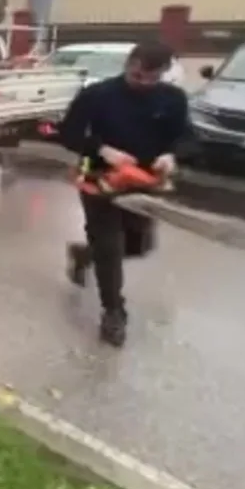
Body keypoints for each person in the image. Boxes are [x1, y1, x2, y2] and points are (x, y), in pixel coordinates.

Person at [57, 41, 189, 347]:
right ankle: (113, 312)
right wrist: (102, 149)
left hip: (143, 183)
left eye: (151, 78)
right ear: (129, 64)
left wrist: (172, 155)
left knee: (138, 246)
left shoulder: (172, 99)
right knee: (109, 245)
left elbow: (186, 137)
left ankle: (83, 255)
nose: (143, 83)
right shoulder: (98, 95)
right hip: (99, 178)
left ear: (163, 74)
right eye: (137, 75)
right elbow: (68, 133)